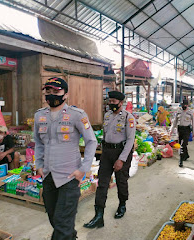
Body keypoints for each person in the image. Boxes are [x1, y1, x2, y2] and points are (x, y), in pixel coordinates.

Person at [34, 77, 97, 240]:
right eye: (48, 91)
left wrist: (83, 169)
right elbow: (39, 143)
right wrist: (39, 164)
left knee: (62, 224)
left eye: (56, 91)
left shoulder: (77, 115)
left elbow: (91, 141)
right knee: (55, 217)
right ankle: (71, 236)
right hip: (48, 175)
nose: (51, 95)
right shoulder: (39, 116)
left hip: (69, 177)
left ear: (65, 94)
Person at [84, 91, 136, 229]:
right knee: (102, 183)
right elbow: (105, 134)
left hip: (121, 152)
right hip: (107, 153)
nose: (110, 103)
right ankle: (98, 215)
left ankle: (122, 204)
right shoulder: (107, 116)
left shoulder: (128, 118)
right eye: (109, 101)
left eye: (113, 101)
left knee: (121, 181)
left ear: (121, 103)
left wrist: (121, 160)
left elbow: (130, 141)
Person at [171, 99, 194, 167]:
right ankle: (186, 155)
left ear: (187, 105)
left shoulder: (190, 112)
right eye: (183, 105)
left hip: (187, 129)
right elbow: (175, 121)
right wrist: (171, 130)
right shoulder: (179, 111)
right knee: (181, 143)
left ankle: (181, 160)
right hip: (180, 129)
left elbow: (193, 123)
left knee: (183, 145)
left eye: (185, 105)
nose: (184, 106)